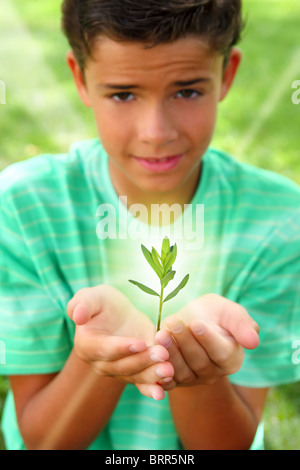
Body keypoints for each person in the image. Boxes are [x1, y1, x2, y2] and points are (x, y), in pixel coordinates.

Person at [0, 0, 300, 451]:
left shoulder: (278, 221)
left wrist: (197, 369)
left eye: (186, 91)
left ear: (227, 73)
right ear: (80, 77)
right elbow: (46, 442)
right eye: (123, 94)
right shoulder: (24, 209)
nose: (155, 131)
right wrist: (97, 359)